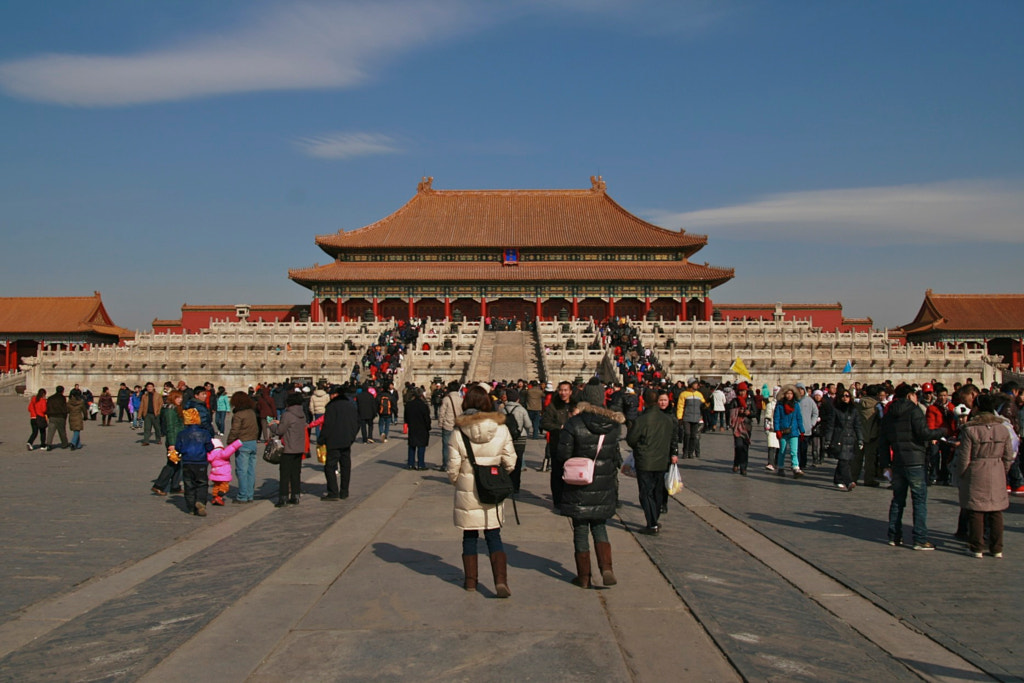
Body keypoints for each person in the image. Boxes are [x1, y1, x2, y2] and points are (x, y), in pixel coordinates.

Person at [447, 385, 517, 597]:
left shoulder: (459, 432)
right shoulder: (501, 429)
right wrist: (497, 475)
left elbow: (452, 467)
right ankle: (500, 582)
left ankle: (470, 582)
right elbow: (511, 461)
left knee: (469, 536)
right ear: (488, 403)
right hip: (492, 489)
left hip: (468, 491)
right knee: (493, 534)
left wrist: (459, 482)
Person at [556, 397, 624, 588]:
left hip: (579, 481)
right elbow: (614, 456)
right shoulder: (612, 425)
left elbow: (563, 455)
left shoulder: (574, 424)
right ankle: (606, 568)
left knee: (580, 528)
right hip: (603, 482)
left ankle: (584, 577)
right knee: (599, 525)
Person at [878, 384, 948, 550]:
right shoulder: (914, 411)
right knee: (919, 501)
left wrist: (886, 464)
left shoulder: (889, 415)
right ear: (910, 396)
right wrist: (941, 432)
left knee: (898, 500)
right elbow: (923, 433)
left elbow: (883, 442)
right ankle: (920, 539)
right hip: (915, 461)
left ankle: (894, 536)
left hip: (898, 462)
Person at [956, 394, 1016, 558]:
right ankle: (997, 547)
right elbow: (1008, 455)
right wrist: (1002, 470)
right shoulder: (1002, 429)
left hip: (976, 469)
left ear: (977, 409)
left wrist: (962, 474)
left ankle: (977, 546)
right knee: (996, 511)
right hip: (996, 468)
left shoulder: (970, 429)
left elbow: (964, 457)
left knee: (976, 510)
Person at [627, 390, 677, 533]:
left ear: (644, 400)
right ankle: (655, 518)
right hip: (662, 460)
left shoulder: (641, 420)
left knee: (645, 492)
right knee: (657, 491)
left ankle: (652, 523)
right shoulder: (668, 419)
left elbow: (631, 440)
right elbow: (672, 438)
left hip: (645, 461)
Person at [318, 384, 359, 500]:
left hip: (333, 441)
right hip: (347, 440)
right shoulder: (350, 405)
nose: (330, 396)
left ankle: (333, 492)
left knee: (330, 467)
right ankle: (344, 491)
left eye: (332, 394)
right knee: (345, 466)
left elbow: (328, 425)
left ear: (336, 395)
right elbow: (357, 422)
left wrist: (322, 439)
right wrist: (352, 436)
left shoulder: (332, 406)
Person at [541, 381, 576, 505]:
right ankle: (558, 500)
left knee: (573, 473)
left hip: (574, 445)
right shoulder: (553, 406)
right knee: (557, 473)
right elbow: (544, 423)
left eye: (566, 390)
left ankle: (570, 498)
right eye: (561, 390)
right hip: (558, 444)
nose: (563, 393)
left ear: (571, 391)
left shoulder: (576, 405)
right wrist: (559, 427)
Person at [271, 392, 307, 507]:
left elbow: (280, 431)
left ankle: (283, 498)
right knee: (296, 473)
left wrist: (272, 425)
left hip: (288, 448)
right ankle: (295, 496)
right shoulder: (302, 414)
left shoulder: (287, 415)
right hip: (299, 447)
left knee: (285, 474)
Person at [175, 408, 213, 516]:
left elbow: (178, 447)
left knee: (189, 484)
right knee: (202, 483)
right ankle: (200, 502)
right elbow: (209, 447)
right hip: (200, 461)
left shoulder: (182, 433)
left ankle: (191, 507)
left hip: (187, 461)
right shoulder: (204, 433)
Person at [825, 389, 863, 491]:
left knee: (845, 460)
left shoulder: (854, 410)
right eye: (843, 396)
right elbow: (831, 426)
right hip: (839, 438)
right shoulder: (835, 410)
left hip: (851, 439)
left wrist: (860, 439)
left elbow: (857, 426)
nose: (845, 398)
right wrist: (828, 440)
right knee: (843, 461)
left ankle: (837, 480)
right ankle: (849, 481)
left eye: (847, 396)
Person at [226, 391, 260, 503]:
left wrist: (229, 441)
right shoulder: (251, 412)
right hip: (252, 443)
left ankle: (242, 495)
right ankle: (250, 494)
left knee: (242, 471)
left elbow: (235, 430)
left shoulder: (238, 415)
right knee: (251, 470)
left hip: (242, 443)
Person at [498, 386, 531, 493]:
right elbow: (528, 425)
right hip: (520, 438)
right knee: (518, 461)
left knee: (507, 460)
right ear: (517, 398)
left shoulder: (503, 410)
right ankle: (516, 486)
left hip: (507, 438)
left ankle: (507, 484)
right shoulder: (521, 410)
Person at [152, 390, 185, 496]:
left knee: (178, 464)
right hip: (174, 440)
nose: (180, 400)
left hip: (178, 439)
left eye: (181, 398)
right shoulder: (170, 410)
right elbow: (170, 427)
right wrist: (172, 444)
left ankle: (175, 486)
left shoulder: (175, 408)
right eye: (178, 398)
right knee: (172, 464)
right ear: (172, 398)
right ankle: (158, 485)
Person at [773, 385, 805, 477]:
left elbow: (799, 418)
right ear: (784, 394)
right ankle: (781, 467)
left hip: (794, 431)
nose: (789, 395)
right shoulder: (779, 406)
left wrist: (801, 431)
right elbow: (776, 418)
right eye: (787, 393)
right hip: (783, 431)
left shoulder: (796, 405)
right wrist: (777, 430)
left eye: (791, 393)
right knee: (782, 450)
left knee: (794, 451)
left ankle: (795, 467)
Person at [676, 377, 706, 459]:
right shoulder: (684, 394)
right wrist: (679, 417)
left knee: (694, 435)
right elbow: (680, 406)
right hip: (687, 417)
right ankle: (685, 451)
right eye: (695, 384)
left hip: (696, 417)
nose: (697, 385)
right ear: (691, 384)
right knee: (687, 434)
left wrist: (707, 404)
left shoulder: (699, 395)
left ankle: (690, 452)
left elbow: (703, 404)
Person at [437, 381, 463, 471]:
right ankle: (457, 464)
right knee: (457, 447)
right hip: (458, 426)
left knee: (446, 446)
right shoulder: (461, 399)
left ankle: (445, 465)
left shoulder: (446, 399)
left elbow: (442, 412)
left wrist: (440, 423)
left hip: (447, 425)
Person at [404, 387, 432, 470]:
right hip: (422, 428)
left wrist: (409, 424)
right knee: (421, 446)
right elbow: (427, 418)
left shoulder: (408, 405)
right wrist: (428, 427)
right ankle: (421, 464)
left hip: (412, 427)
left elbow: (406, 417)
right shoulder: (423, 405)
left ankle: (410, 464)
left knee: (412, 445)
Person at [729, 384, 753, 475]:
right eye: (740, 391)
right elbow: (730, 412)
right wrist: (737, 411)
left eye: (744, 391)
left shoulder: (750, 401)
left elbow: (755, 412)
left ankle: (743, 467)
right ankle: (736, 462)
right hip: (737, 427)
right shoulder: (734, 401)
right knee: (739, 446)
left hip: (747, 426)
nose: (742, 392)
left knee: (745, 447)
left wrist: (749, 413)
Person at [45, 385, 70, 450]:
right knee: (62, 431)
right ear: (62, 391)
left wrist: (48, 414)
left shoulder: (50, 398)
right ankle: (64, 443)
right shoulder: (62, 398)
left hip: (52, 416)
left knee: (51, 431)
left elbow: (47, 407)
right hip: (60, 416)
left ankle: (49, 444)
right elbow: (64, 407)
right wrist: (65, 414)